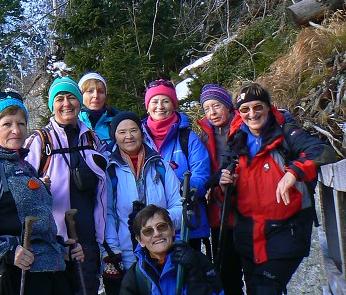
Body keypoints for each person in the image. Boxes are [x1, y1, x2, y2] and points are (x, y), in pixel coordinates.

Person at [218, 83, 337, 295]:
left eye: (258, 107)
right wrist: (226, 182)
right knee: (259, 288)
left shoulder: (286, 133)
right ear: (238, 113)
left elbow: (322, 151)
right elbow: (228, 180)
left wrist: (294, 172)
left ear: (268, 107)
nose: (252, 114)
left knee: (263, 289)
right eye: (245, 109)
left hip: (286, 230)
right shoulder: (236, 141)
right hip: (249, 234)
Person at [0, 90, 81, 295]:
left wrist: (64, 250)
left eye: (21, 123)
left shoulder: (27, 167)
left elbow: (41, 229)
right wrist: (5, 252)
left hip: (51, 271)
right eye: (7, 124)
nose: (16, 130)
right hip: (16, 274)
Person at [24, 76, 108, 295]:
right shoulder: (40, 141)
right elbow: (22, 187)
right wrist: (38, 186)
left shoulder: (91, 138)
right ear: (52, 105)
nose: (66, 103)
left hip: (88, 237)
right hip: (54, 242)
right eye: (59, 99)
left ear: (80, 103)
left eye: (71, 97)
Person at [103, 112, 182, 295]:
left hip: (163, 252)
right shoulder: (110, 170)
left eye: (133, 130)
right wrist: (113, 252)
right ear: (115, 136)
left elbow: (179, 205)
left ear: (141, 133)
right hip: (127, 253)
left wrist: (157, 222)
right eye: (122, 132)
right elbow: (107, 214)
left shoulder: (159, 165)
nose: (129, 136)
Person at [142, 79, 211, 252]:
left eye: (166, 101)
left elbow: (202, 177)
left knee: (189, 276)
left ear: (174, 105)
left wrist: (179, 187)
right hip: (150, 227)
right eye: (155, 101)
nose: (160, 106)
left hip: (186, 224)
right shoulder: (138, 137)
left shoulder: (188, 138)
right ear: (147, 106)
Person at [196, 84, 244, 295]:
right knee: (225, 272)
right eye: (207, 108)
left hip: (247, 208)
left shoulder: (245, 126)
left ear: (227, 105)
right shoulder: (205, 134)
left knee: (255, 271)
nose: (212, 112)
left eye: (216, 106)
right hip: (219, 209)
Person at [121, 205, 223, 295]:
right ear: (140, 240)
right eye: (148, 231)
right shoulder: (136, 276)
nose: (157, 233)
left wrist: (194, 276)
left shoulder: (197, 261)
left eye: (161, 226)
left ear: (172, 229)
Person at [77, 71, 119, 152]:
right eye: (90, 91)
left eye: (101, 92)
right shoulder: (73, 123)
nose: (96, 96)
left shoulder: (118, 122)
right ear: (80, 95)